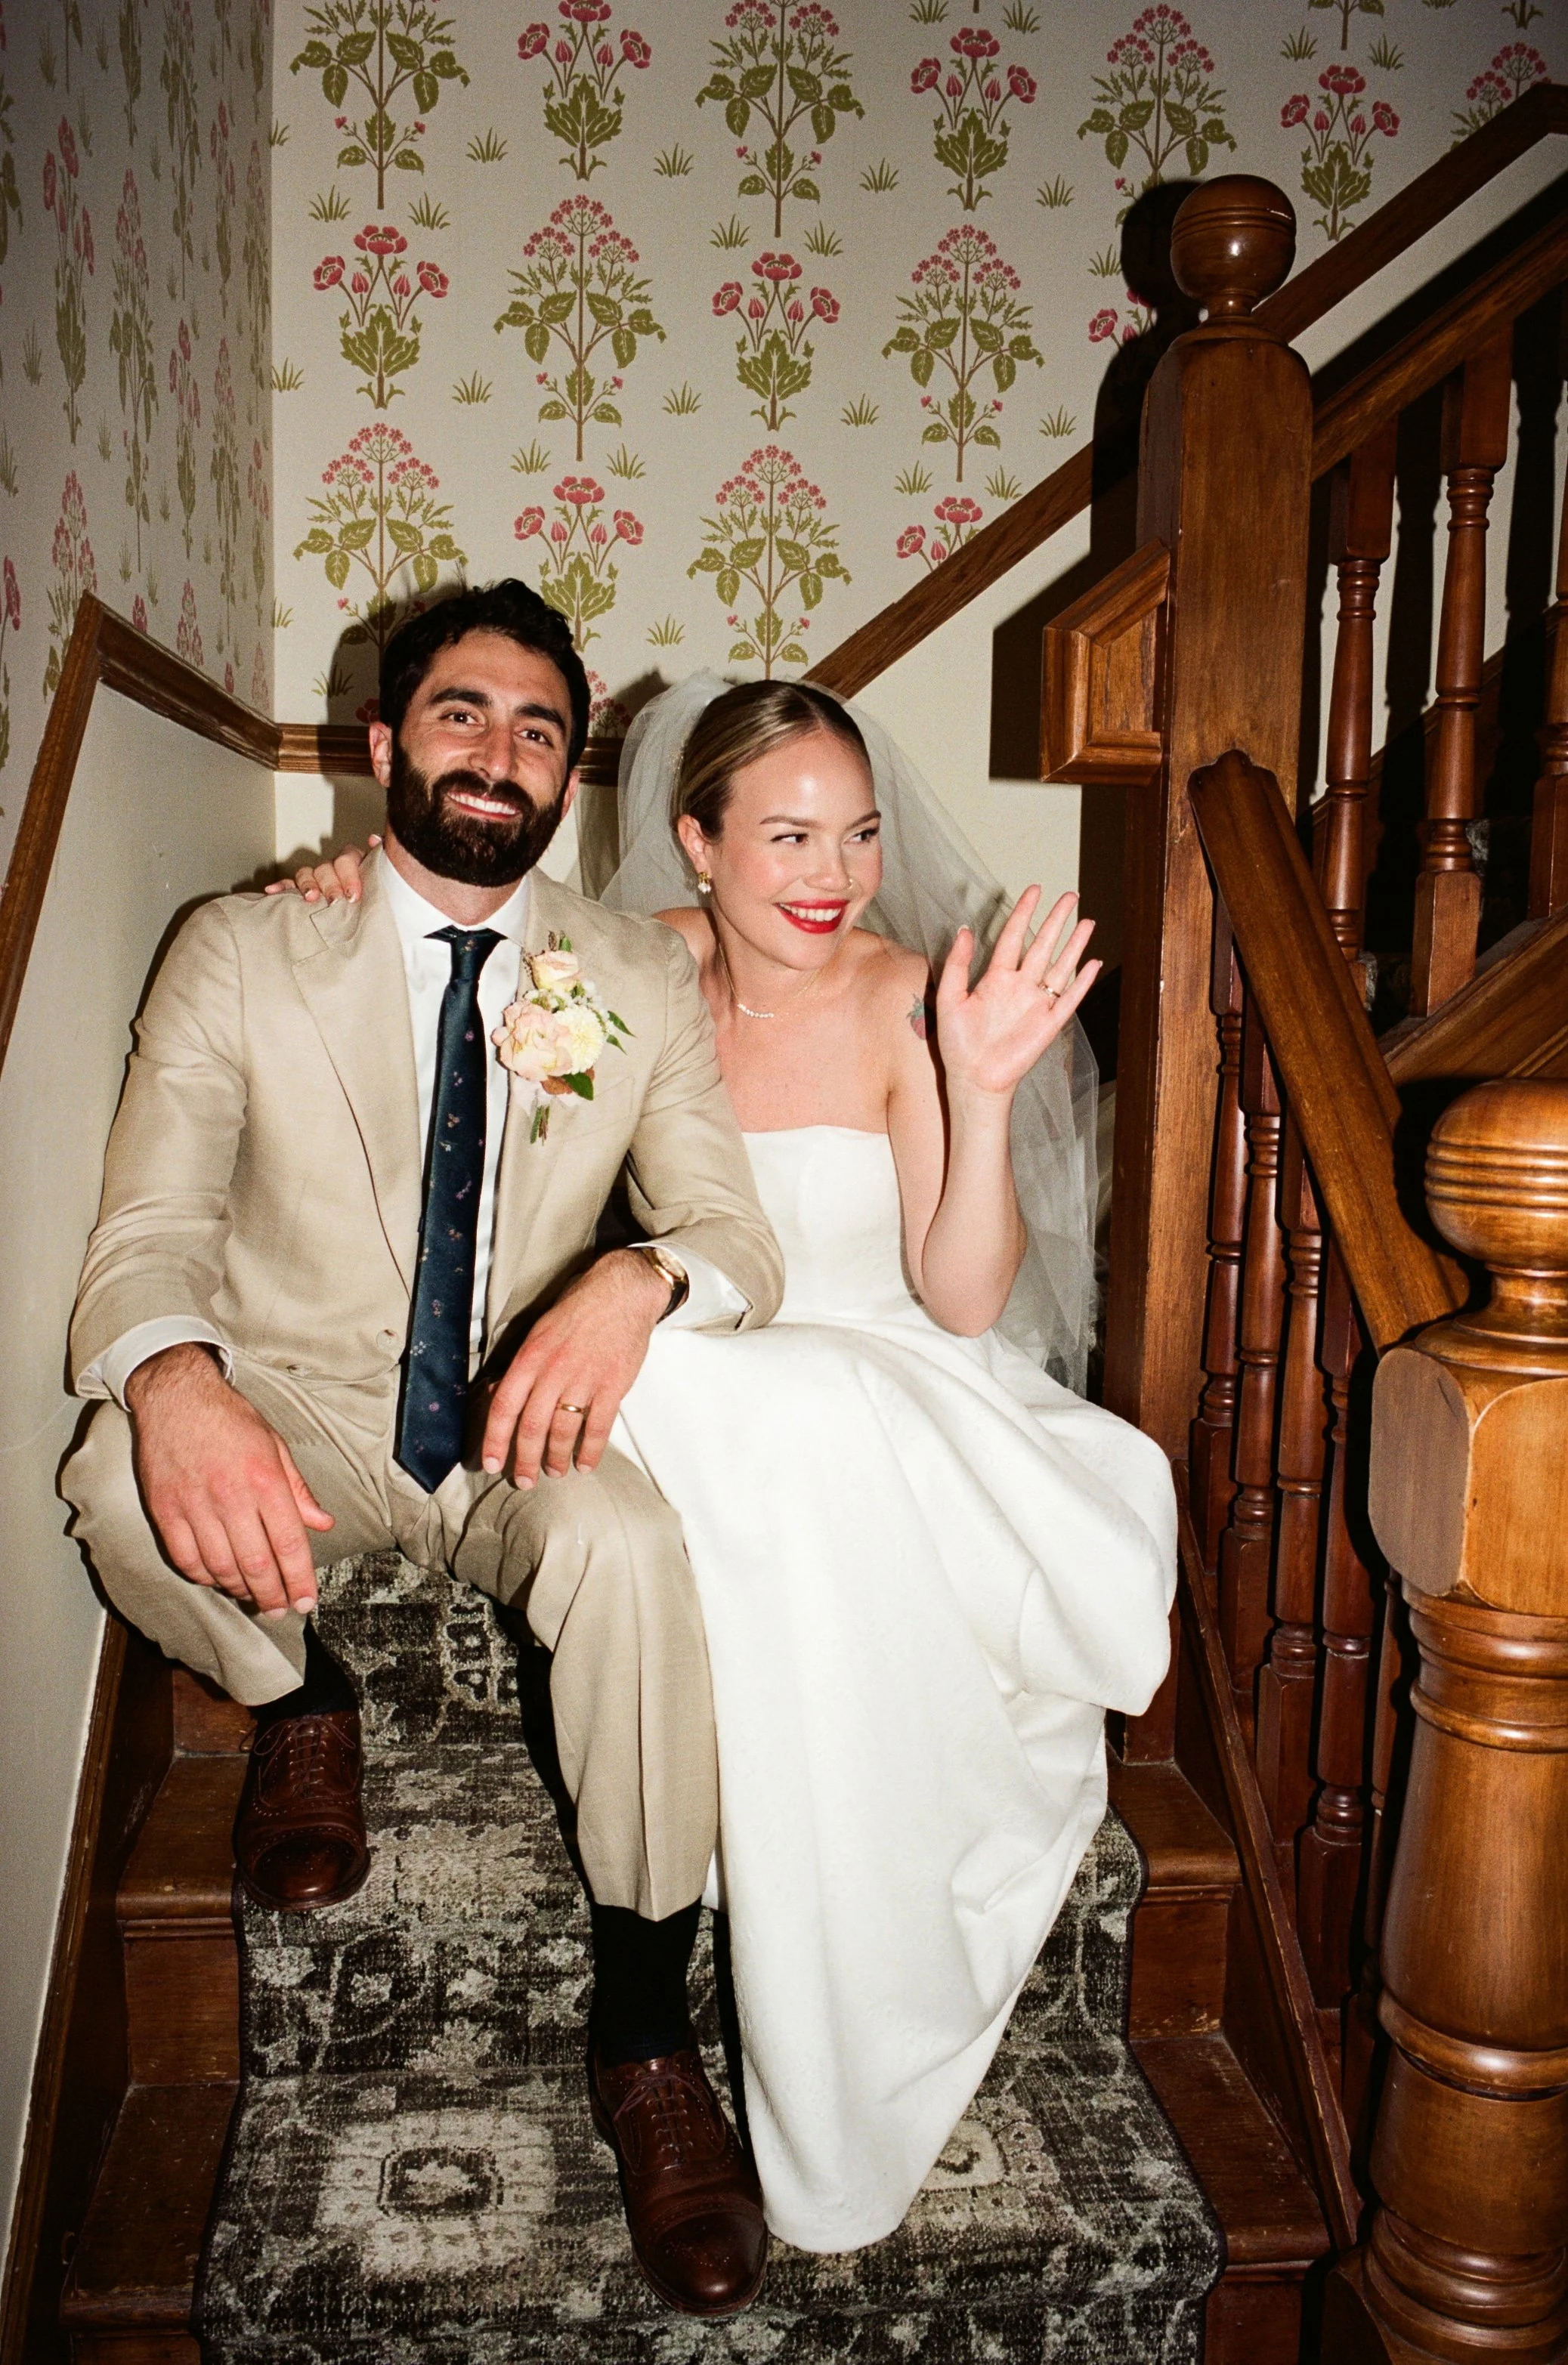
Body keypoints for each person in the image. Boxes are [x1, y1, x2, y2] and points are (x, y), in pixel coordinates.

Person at [289, 671, 1178, 2257]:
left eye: (856, 833)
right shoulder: (611, 969)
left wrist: (979, 1093)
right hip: (697, 1373)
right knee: (674, 1372)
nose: (833, 874)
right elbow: (483, 1077)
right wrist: (350, 887)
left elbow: (962, 1297)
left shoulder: (908, 995)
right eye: (786, 835)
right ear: (695, 842)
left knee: (749, 1387)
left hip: (886, 1385)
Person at [62, 585, 787, 2321]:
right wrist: (178, 1378)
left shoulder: (629, 973)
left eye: (539, 729)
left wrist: (634, 1278)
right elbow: (147, 1229)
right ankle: (302, 1692)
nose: (499, 752)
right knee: (107, 1470)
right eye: (463, 712)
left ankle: (644, 2026)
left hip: (517, 1412)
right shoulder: (242, 946)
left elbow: (737, 1236)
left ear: (567, 774)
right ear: (385, 743)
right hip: (303, 1398)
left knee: (633, 1552)